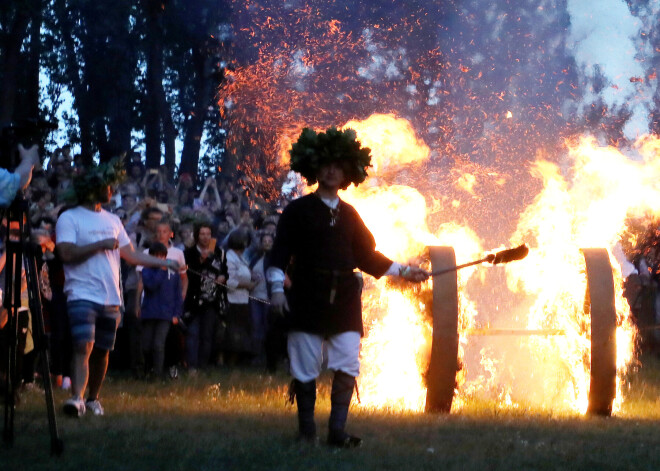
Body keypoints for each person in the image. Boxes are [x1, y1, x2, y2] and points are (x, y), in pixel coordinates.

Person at [267, 127, 428, 448]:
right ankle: (307, 432)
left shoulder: (351, 215)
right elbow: (279, 253)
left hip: (343, 299)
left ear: (345, 173)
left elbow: (367, 257)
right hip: (306, 295)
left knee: (347, 362)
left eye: (337, 166)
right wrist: (275, 290)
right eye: (325, 164)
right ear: (315, 169)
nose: (330, 170)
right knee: (304, 365)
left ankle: (336, 432)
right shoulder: (297, 211)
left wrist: (404, 271)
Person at [55, 158, 180, 417]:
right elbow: (65, 253)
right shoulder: (69, 217)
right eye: (107, 185)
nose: (111, 190)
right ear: (92, 187)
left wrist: (165, 261)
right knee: (83, 345)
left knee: (102, 350)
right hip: (81, 292)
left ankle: (93, 398)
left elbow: (132, 255)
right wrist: (99, 244)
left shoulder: (113, 220)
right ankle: (76, 398)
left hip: (110, 296)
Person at [183, 222, 227, 370]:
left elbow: (224, 271)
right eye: (202, 234)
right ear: (197, 235)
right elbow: (188, 273)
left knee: (207, 336)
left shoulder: (219, 252)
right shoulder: (188, 253)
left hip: (212, 300)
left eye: (208, 234)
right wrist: (203, 260)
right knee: (192, 333)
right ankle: (191, 366)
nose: (205, 237)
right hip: (193, 299)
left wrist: (222, 277)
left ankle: (202, 366)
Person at [140, 242, 183, 378]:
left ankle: (157, 375)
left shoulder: (173, 273)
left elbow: (177, 294)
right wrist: (162, 271)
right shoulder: (146, 271)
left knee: (159, 344)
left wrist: (177, 313)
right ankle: (148, 369)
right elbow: (151, 286)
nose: (159, 258)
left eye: (161, 256)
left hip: (166, 315)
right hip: (149, 313)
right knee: (146, 345)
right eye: (156, 256)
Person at [224, 228, 256, 366]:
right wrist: (247, 285)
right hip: (233, 301)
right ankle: (229, 361)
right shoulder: (229, 257)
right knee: (233, 332)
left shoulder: (241, 258)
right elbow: (229, 281)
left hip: (243, 300)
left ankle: (238, 361)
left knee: (242, 331)